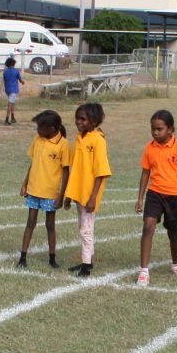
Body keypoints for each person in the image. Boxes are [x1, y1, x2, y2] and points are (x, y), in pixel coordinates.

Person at [134, 109, 177, 285]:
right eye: (153, 129)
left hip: (175, 196)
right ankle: (144, 271)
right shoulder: (149, 147)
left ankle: (176, 264)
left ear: (170, 129)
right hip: (155, 194)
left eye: (159, 129)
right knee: (148, 226)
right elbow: (145, 173)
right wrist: (140, 198)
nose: (155, 132)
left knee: (173, 232)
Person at [63, 101, 111, 278]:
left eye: (83, 119)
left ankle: (85, 266)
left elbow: (101, 172)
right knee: (83, 226)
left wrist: (93, 197)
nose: (79, 122)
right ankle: (87, 261)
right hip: (78, 191)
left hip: (89, 193)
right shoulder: (79, 138)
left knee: (86, 229)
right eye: (77, 119)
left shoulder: (98, 140)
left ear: (94, 121)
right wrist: (69, 194)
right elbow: (75, 168)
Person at [19, 109, 70, 268]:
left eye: (40, 127)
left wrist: (61, 195)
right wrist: (25, 183)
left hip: (50, 193)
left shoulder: (63, 145)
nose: (37, 130)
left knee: (50, 225)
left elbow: (66, 171)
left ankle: (52, 258)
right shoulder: (37, 140)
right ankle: (23, 257)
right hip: (34, 190)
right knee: (30, 222)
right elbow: (33, 163)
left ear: (52, 129)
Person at [1, 57, 23, 125]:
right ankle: (7, 119)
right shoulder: (16, 71)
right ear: (13, 64)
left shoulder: (5, 72)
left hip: (7, 89)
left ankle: (13, 117)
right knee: (10, 104)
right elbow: (20, 79)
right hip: (14, 89)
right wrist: (23, 82)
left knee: (12, 103)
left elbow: (5, 80)